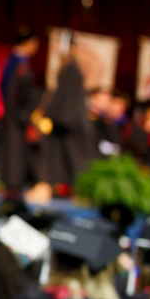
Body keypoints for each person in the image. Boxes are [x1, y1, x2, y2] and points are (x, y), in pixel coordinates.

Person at [43, 41, 98, 191]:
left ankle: (82, 190)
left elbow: (64, 95)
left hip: (69, 119)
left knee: (77, 160)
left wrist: (51, 113)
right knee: (71, 158)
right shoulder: (73, 67)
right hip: (71, 119)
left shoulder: (71, 69)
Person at [0, 31, 41, 196]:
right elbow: (12, 93)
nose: (36, 47)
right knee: (11, 150)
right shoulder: (16, 62)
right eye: (34, 43)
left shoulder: (14, 60)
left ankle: (10, 184)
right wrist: (24, 115)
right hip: (13, 117)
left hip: (13, 115)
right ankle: (10, 185)